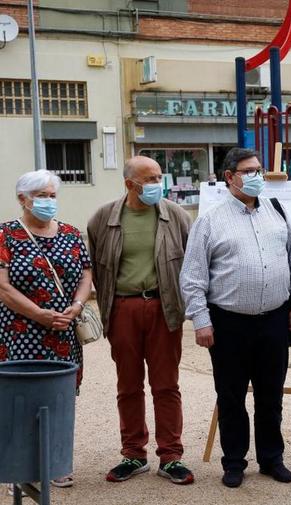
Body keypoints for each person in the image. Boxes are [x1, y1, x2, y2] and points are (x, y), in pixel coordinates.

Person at [180, 148, 291, 488]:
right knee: (232, 396)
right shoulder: (209, 221)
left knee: (271, 395)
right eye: (249, 171)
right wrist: (201, 320)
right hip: (229, 323)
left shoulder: (276, 211)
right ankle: (234, 462)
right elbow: (192, 277)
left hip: (274, 320)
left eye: (259, 170)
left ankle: (271, 459)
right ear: (229, 177)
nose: (257, 176)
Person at [88, 156, 194, 485]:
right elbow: (93, 266)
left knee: (166, 385)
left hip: (164, 308)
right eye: (149, 179)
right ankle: (133, 453)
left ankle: (171, 456)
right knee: (128, 385)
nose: (156, 185)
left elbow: (192, 265)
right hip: (123, 308)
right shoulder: (104, 219)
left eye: (159, 177)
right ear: (129, 184)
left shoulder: (175, 216)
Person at [0, 170, 92, 489]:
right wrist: (40, 314)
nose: (48, 201)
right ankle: (19, 468)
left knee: (60, 396)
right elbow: (3, 287)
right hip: (20, 330)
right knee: (19, 397)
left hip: (64, 331)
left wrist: (77, 306)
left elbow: (85, 275)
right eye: (41, 195)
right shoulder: (6, 235)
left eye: (52, 195)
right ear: (22, 198)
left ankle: (56, 462)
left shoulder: (70, 233)